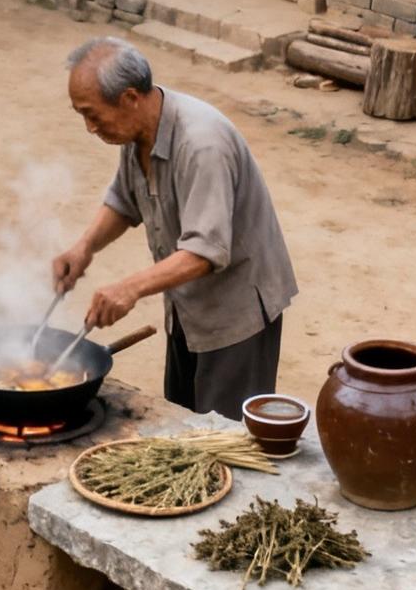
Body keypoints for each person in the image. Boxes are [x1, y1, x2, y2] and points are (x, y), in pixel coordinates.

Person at [52, 37, 297, 419]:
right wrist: (84, 247)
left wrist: (129, 288)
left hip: (235, 313)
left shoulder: (202, 145)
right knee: (183, 424)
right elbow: (123, 200)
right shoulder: (136, 132)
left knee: (222, 439)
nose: (89, 127)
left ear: (130, 98)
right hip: (187, 305)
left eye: (93, 115)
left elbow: (206, 252)